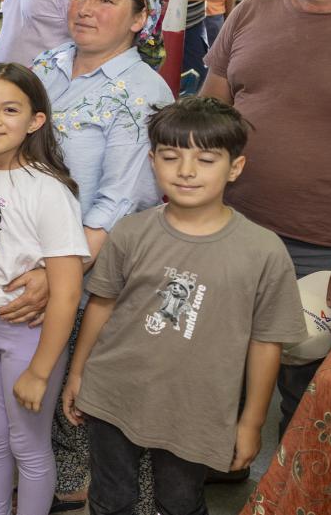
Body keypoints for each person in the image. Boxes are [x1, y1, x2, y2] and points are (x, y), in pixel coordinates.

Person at [61, 97, 304, 515]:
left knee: (179, 502)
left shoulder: (263, 251)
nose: (186, 171)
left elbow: (267, 343)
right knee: (110, 497)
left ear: (235, 167)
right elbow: (101, 305)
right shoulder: (131, 232)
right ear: (153, 161)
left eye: (206, 159)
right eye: (171, 157)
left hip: (196, 411)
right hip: (113, 394)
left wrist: (250, 423)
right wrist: (79, 373)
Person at [201, 0, 331, 433]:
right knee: (217, 375)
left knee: (309, 404)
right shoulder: (251, 9)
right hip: (232, 232)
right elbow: (209, 116)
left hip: (330, 251)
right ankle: (219, 470)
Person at [31, 0, 174, 512]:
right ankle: (64, 477)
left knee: (86, 387)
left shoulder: (144, 92)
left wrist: (58, 278)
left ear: (141, 19)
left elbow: (118, 203)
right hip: (33, 253)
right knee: (43, 376)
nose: (84, 9)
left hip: (92, 268)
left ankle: (103, 488)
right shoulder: (47, 62)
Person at [0, 63, 90, 515]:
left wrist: (41, 370)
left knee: (26, 446)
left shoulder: (48, 191)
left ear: (35, 121)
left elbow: (66, 293)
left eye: (10, 110)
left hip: (27, 339)